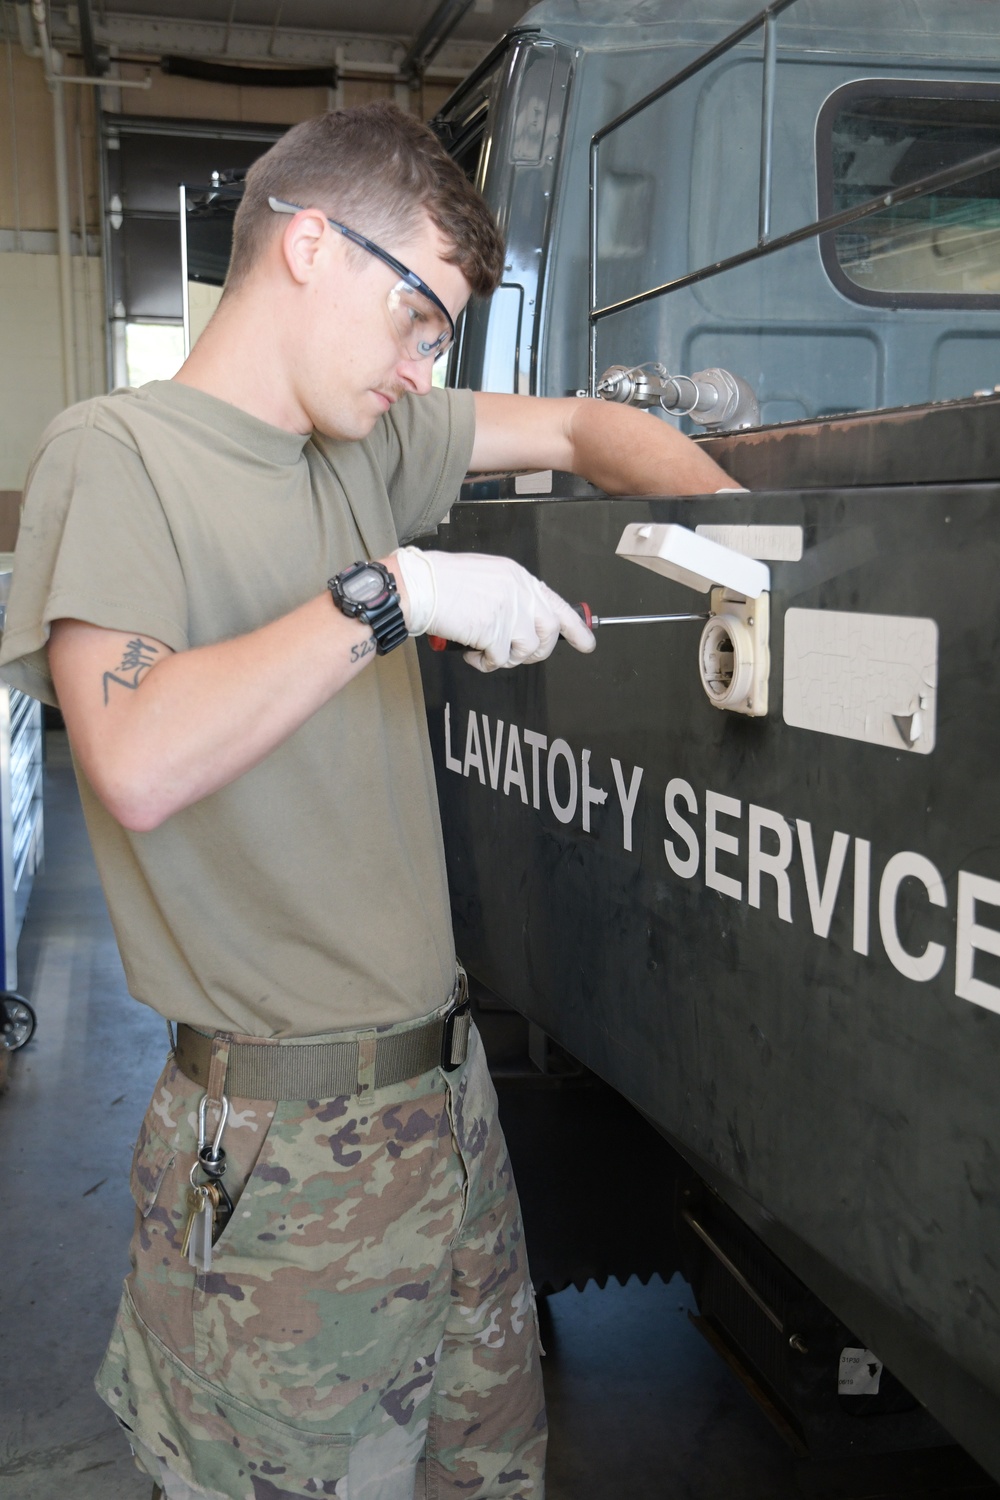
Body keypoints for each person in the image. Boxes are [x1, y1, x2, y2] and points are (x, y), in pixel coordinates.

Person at [0, 103, 737, 1500]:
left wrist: (774, 561)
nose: (422, 368)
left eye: (442, 339)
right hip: (273, 1144)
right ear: (307, 246)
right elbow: (138, 761)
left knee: (487, 1469)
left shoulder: (364, 449)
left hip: (444, 1113)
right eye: (418, 319)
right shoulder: (119, 455)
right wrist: (389, 595)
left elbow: (585, 426)